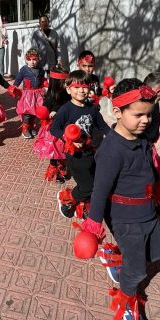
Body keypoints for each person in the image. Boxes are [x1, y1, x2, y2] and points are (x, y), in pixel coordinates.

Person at [81, 78, 160, 320]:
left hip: (147, 209)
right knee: (137, 271)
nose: (146, 121)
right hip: (125, 217)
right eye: (139, 115)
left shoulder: (141, 136)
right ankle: (127, 300)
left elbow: (153, 128)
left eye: (148, 115)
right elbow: (99, 190)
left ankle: (119, 257)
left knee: (155, 252)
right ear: (117, 112)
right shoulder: (111, 151)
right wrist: (93, 226)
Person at [50, 70, 111, 219]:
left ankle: (86, 205)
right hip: (74, 156)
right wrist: (67, 138)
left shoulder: (92, 108)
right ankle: (67, 199)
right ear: (68, 89)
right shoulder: (65, 110)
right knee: (87, 186)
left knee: (95, 181)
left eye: (85, 87)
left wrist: (116, 138)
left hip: (91, 152)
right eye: (77, 87)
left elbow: (103, 126)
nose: (82, 90)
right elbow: (54, 129)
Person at [33, 65, 71, 183]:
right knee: (55, 151)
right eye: (65, 82)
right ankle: (55, 169)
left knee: (64, 149)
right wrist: (48, 112)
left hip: (66, 126)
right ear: (56, 83)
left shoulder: (68, 94)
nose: (67, 84)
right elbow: (43, 111)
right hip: (54, 129)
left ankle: (62, 165)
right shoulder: (50, 97)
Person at [12, 48, 46, 139]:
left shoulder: (40, 69)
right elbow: (18, 79)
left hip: (38, 94)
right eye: (29, 60)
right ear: (26, 60)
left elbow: (43, 79)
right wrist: (14, 87)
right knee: (27, 112)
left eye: (34, 59)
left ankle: (31, 127)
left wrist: (46, 85)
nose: (32, 62)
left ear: (38, 59)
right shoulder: (24, 69)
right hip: (27, 94)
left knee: (35, 112)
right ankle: (25, 129)